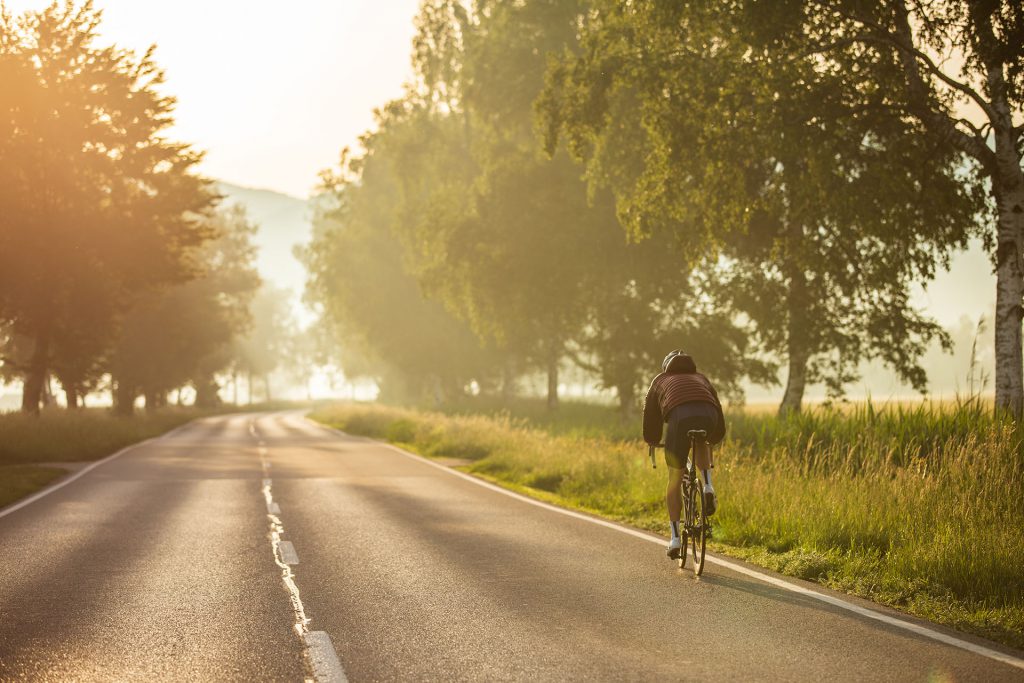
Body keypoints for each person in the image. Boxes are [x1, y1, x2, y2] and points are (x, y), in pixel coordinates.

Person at [642, 350, 726, 559]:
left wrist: (652, 439)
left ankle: (675, 539)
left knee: (675, 480)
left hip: (680, 418)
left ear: (666, 367)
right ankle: (707, 486)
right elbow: (717, 406)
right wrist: (715, 436)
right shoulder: (701, 378)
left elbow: (650, 414)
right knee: (702, 440)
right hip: (709, 414)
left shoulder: (660, 380)